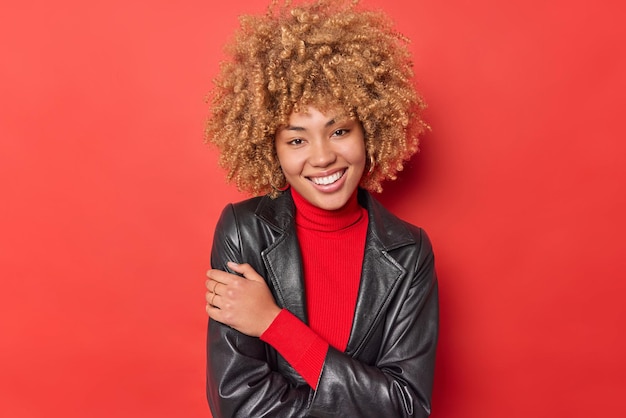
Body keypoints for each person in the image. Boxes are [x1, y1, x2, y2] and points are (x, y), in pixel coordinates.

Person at [204, 1, 438, 416]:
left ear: (369, 130)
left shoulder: (409, 251)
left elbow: (407, 408)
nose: (322, 157)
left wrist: (275, 324)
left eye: (340, 131)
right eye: (297, 140)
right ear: (271, 149)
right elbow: (236, 404)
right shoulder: (243, 232)